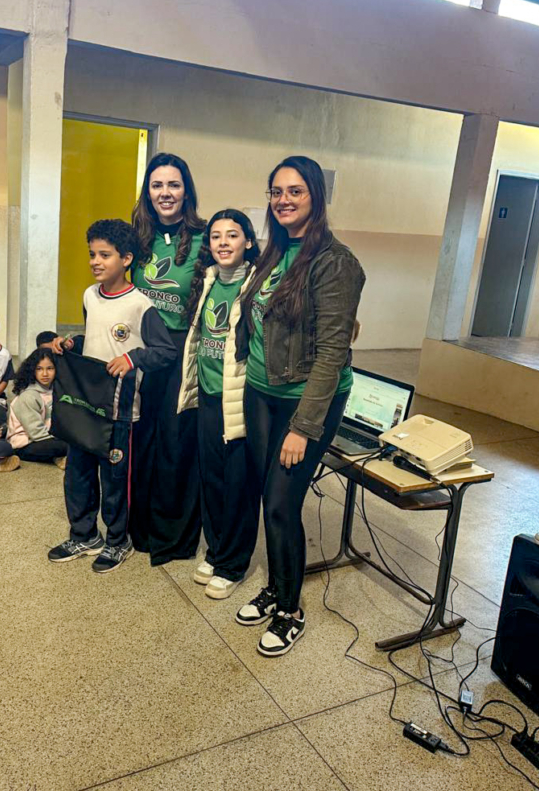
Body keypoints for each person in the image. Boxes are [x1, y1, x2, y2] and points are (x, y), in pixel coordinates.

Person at [236, 156, 365, 657]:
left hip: (305, 401)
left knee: (281, 503)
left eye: (295, 191)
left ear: (315, 196)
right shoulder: (274, 251)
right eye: (276, 191)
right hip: (262, 391)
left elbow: (333, 352)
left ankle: (290, 610)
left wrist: (303, 427)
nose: (283, 200)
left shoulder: (335, 263)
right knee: (268, 496)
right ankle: (275, 588)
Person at [49, 219, 175, 572]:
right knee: (77, 474)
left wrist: (132, 358)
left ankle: (118, 540)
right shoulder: (90, 295)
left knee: (115, 480)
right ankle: (83, 534)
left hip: (119, 410)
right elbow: (96, 335)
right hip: (85, 404)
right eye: (92, 254)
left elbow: (165, 351)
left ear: (127, 259)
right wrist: (71, 343)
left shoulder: (140, 305)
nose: (95, 261)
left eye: (105, 255)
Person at [177, 210, 261, 599]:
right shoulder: (208, 281)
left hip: (239, 400)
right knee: (211, 479)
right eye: (215, 236)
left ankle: (233, 564)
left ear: (248, 241)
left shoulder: (257, 283)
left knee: (238, 486)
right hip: (209, 396)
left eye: (232, 235)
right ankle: (215, 551)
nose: (223, 242)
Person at [130, 153, 206, 566]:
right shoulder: (135, 237)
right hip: (141, 348)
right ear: (147, 192)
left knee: (176, 440)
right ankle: (138, 528)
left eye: (173, 185)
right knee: (141, 437)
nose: (165, 193)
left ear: (186, 191)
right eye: (157, 185)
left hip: (181, 350)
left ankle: (173, 535)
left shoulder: (205, 237)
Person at [7, 349, 68, 467]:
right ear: (32, 371)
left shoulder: (55, 391)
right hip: (25, 444)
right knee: (68, 446)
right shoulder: (28, 396)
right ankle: (60, 456)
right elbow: (36, 433)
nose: (45, 374)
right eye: (39, 369)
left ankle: (59, 457)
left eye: (50, 368)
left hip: (48, 438)